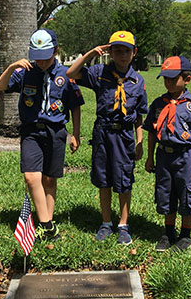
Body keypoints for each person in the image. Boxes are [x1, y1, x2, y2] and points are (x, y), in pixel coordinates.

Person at [0, 29, 84, 241]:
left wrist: (76, 134)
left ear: (56, 50)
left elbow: (75, 106)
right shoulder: (24, 72)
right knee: (31, 176)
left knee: (49, 179)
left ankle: (47, 223)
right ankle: (45, 224)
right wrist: (11, 67)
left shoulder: (66, 74)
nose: (41, 63)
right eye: (37, 58)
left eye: (45, 57)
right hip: (31, 131)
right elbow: (0, 86)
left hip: (56, 131)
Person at [66, 31, 148, 245]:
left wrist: (139, 141)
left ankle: (123, 224)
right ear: (110, 52)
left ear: (134, 53)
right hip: (103, 132)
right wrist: (90, 54)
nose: (122, 55)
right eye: (117, 51)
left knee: (124, 179)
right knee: (103, 179)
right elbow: (71, 74)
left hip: (124, 134)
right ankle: (105, 222)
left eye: (126, 51)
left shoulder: (137, 81)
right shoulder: (99, 72)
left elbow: (139, 115)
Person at [143, 56, 191, 252]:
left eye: (173, 79)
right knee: (166, 193)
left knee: (187, 193)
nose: (169, 83)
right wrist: (149, 157)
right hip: (163, 156)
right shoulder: (158, 104)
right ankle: (168, 233)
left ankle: (185, 235)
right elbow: (151, 132)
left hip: (185, 157)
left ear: (187, 79)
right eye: (165, 79)